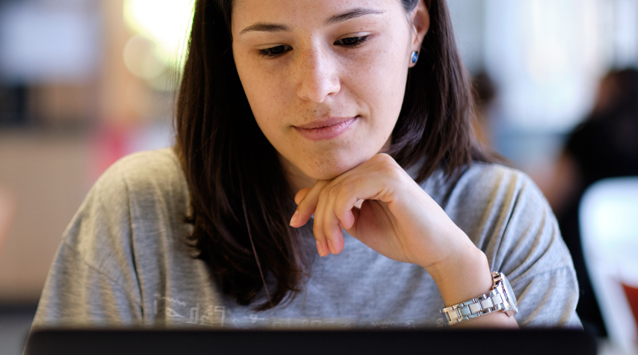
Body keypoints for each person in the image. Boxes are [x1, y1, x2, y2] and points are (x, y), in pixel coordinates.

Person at [32, 0, 580, 329]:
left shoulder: (500, 215)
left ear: (417, 29)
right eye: (273, 50)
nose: (316, 88)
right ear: (229, 55)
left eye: (352, 38)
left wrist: (460, 272)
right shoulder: (138, 208)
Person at [538, 68, 638, 336]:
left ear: (613, 89)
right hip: (628, 285)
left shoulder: (587, 132)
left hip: (583, 273)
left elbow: (554, 195)